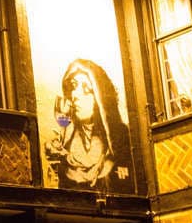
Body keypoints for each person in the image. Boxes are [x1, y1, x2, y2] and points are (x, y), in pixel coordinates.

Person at [45, 58, 132, 192]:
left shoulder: (121, 141)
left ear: (101, 98)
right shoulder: (65, 145)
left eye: (86, 89)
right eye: (73, 86)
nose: (75, 94)